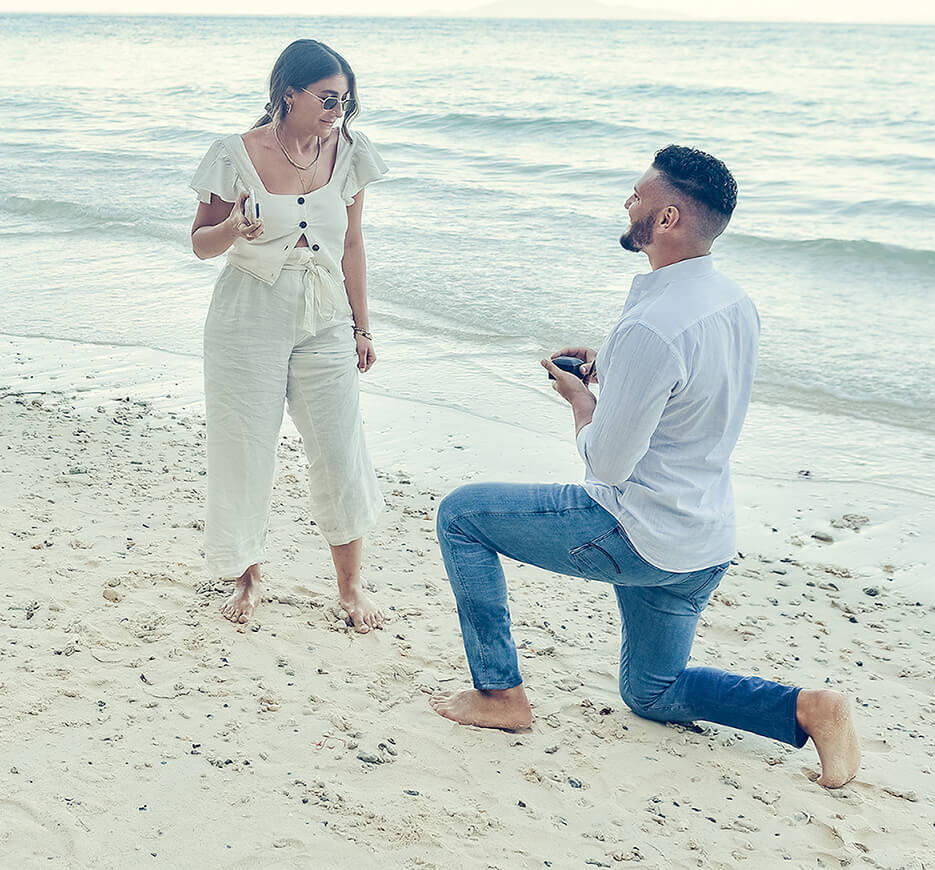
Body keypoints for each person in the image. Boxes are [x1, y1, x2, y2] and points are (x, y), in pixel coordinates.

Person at [429, 144, 861, 788]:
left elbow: (606, 463)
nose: (626, 203)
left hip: (637, 533)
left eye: (636, 195)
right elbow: (691, 391)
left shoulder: (653, 325)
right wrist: (613, 371)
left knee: (461, 514)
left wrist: (584, 401)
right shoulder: (733, 302)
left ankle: (499, 695)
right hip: (704, 538)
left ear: (666, 218)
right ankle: (807, 709)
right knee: (651, 692)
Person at [189, 39, 390, 630]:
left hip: (324, 314)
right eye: (328, 99)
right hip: (246, 314)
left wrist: (362, 327)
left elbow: (352, 245)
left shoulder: (350, 152)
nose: (338, 112)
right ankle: (248, 577)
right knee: (244, 446)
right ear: (289, 93)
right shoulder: (234, 154)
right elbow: (201, 244)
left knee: (338, 448)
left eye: (345, 102)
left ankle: (350, 587)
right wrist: (231, 226)